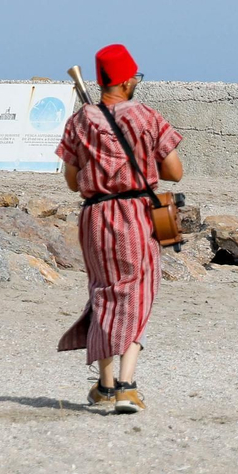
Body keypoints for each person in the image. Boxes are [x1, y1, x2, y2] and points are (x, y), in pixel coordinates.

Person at [56, 43, 185, 413]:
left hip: (95, 216)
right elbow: (174, 172)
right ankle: (127, 385)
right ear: (127, 81)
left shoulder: (80, 121)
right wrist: (137, 164)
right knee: (137, 293)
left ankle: (105, 385)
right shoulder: (147, 117)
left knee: (104, 293)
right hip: (136, 213)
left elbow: (70, 179)